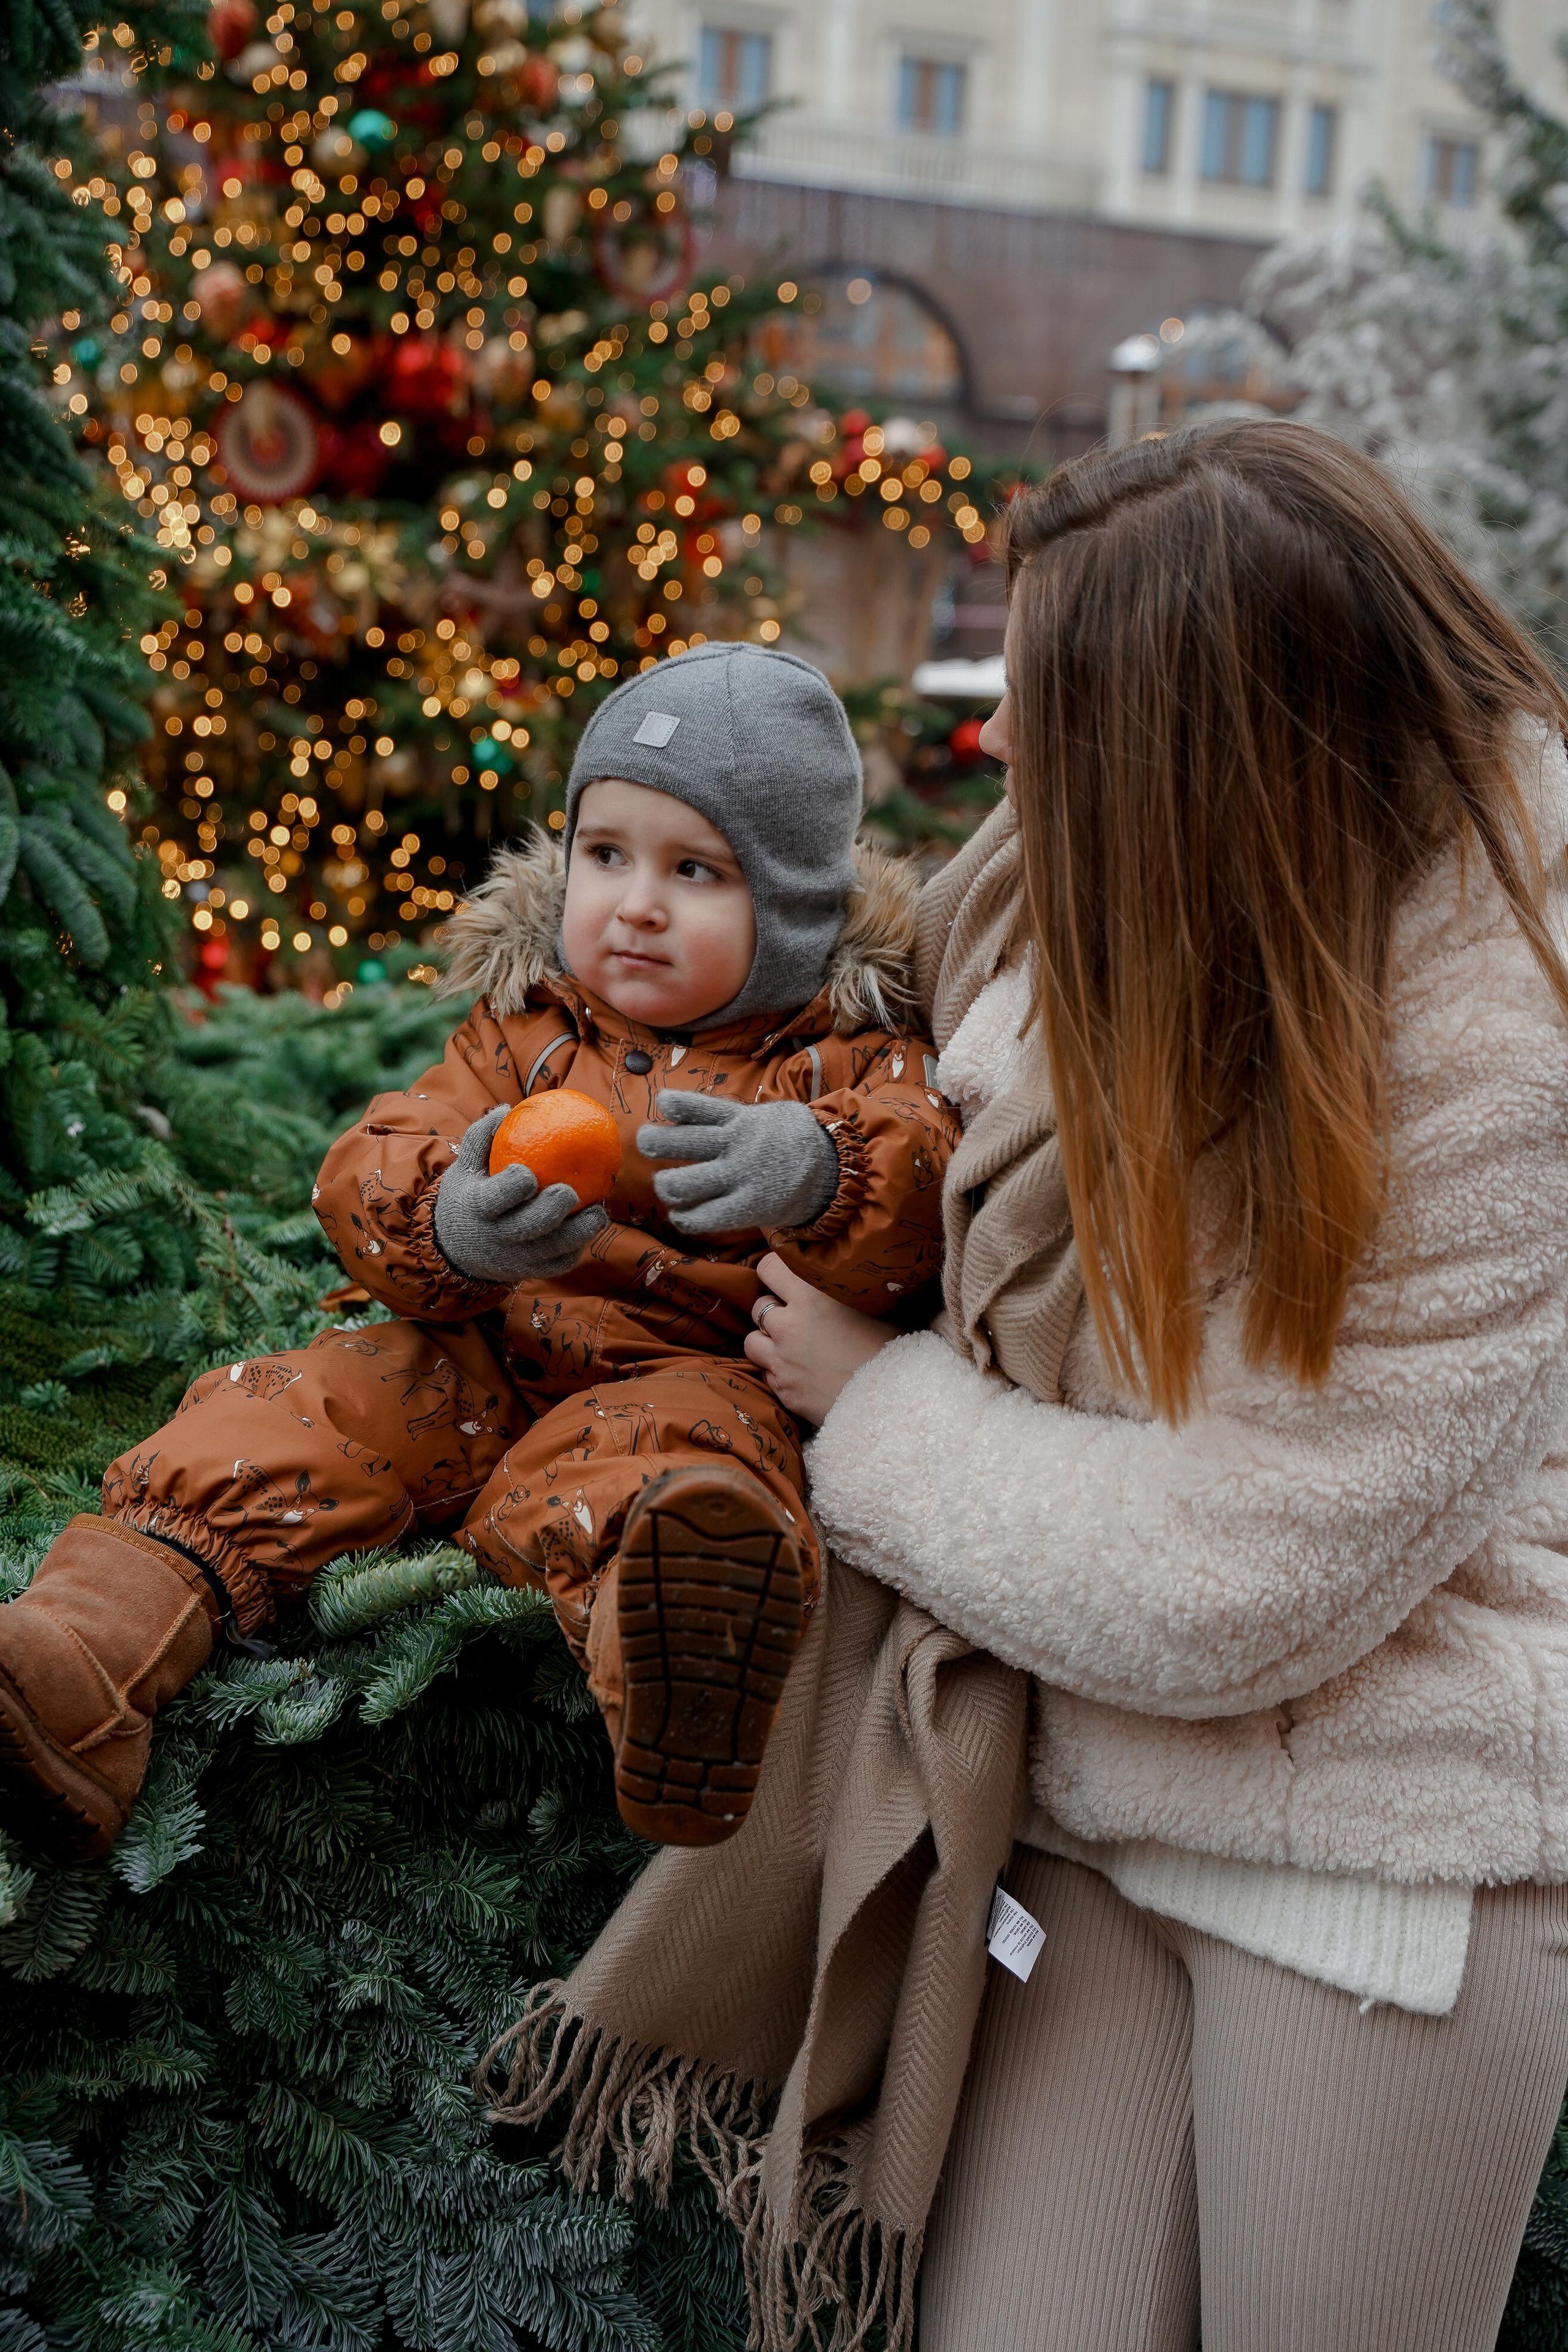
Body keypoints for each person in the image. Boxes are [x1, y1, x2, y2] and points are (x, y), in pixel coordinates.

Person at [745, 423, 1568, 2352]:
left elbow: (1248, 1567)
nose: (1001, 748)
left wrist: (874, 1413)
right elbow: (877, 1050)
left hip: (1383, 1849)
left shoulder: (1495, 1041)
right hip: (1092, 1801)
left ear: (1201, 745)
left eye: (1044, 702)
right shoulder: (1076, 872)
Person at [0, 643, 957, 1863]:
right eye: (605, 855)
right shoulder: (526, 1032)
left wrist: (818, 1168)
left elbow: (921, 1178)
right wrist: (451, 1216)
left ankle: (679, 1675)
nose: (637, 902)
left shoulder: (842, 1056)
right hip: (476, 1355)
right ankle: (80, 1663)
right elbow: (378, 1153)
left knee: (674, 1470)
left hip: (682, 1371)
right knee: (291, 1410)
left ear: (796, 907)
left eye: (697, 872)